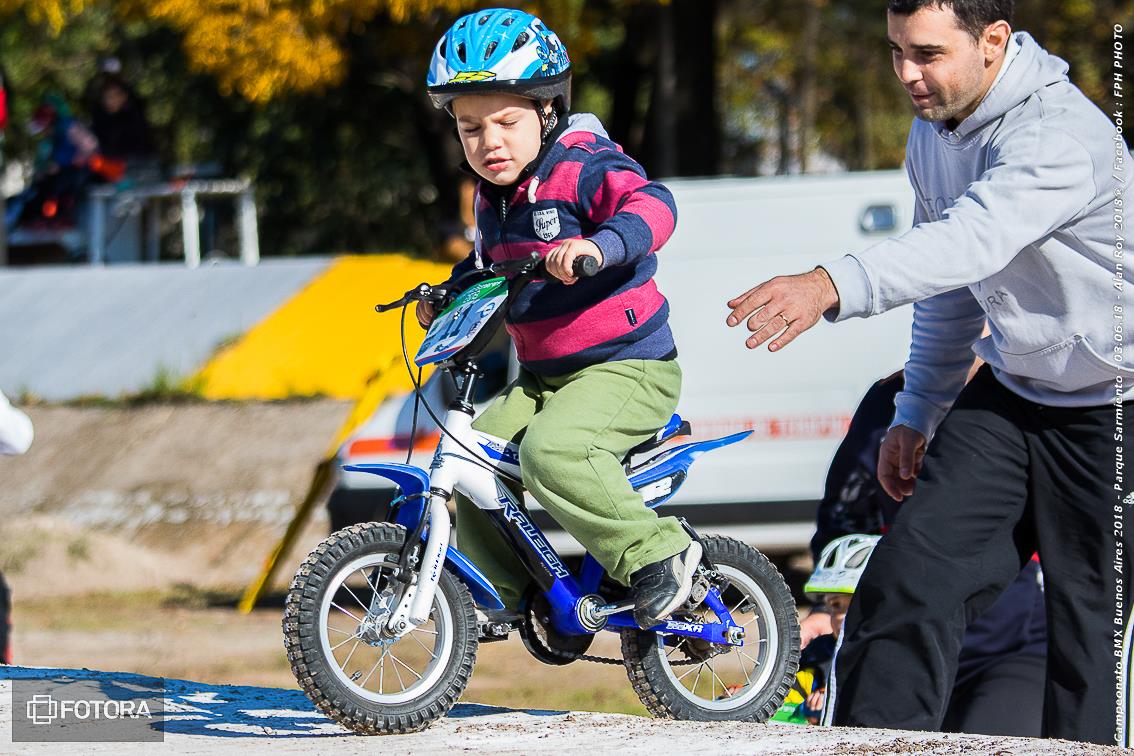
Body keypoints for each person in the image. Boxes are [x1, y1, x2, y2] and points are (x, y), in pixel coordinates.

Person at [724, 0, 1132, 744]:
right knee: (907, 578)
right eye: (895, 51)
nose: (908, 74)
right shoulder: (935, 134)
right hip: (1015, 394)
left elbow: (970, 244)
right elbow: (953, 293)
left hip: (1116, 403)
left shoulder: (1061, 136)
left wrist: (829, 282)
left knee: (1090, 629)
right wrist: (918, 411)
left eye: (928, 53)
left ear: (994, 42)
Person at [421, 9, 696, 629]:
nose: (489, 142)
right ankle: (512, 596)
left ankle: (661, 556)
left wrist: (599, 247)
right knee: (472, 453)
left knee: (552, 454)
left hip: (627, 368)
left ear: (547, 111)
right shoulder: (492, 198)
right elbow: (488, 267)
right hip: (544, 376)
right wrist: (449, 293)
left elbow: (654, 205)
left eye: (507, 122)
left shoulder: (585, 163)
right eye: (470, 128)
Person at [804, 370, 1047, 737]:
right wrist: (831, 606)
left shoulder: (1031, 388)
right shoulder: (892, 397)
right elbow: (844, 520)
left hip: (1006, 648)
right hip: (903, 637)